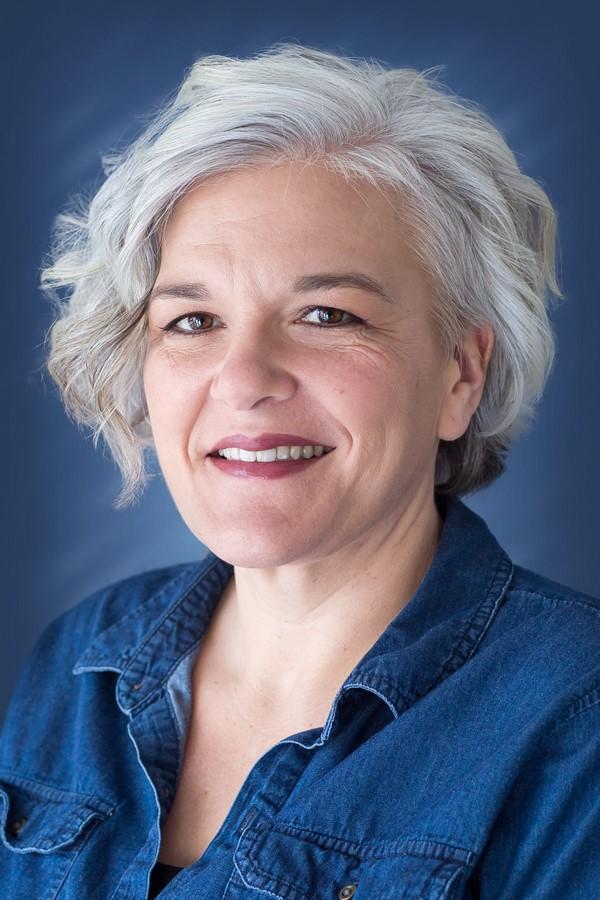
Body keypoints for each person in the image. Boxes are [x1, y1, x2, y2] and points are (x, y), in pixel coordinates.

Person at [0, 43, 598, 899]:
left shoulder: (576, 720)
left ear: (460, 376)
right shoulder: (78, 661)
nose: (243, 380)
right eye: (193, 320)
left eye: (325, 314)